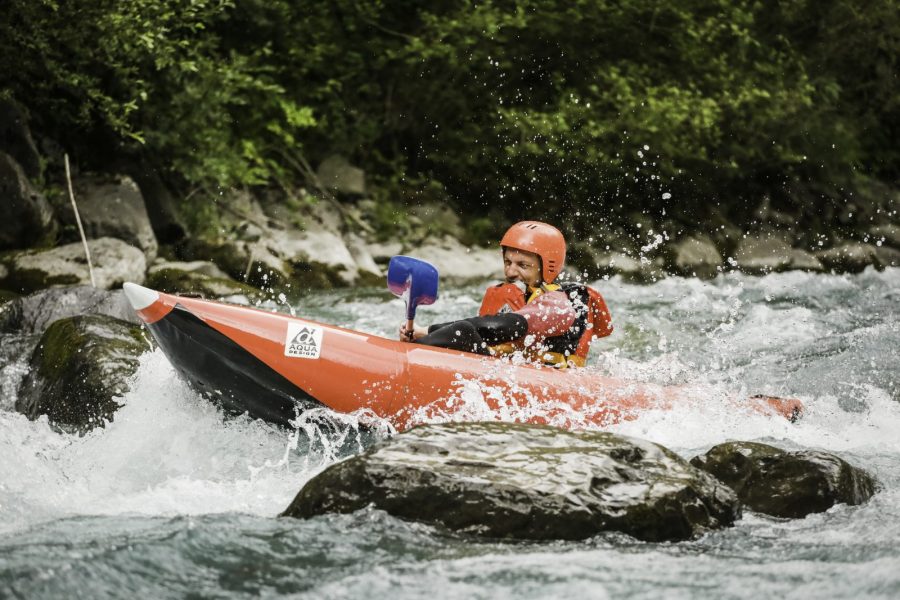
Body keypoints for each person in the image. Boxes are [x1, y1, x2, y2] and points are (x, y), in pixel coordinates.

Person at [399, 221, 613, 368]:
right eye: (508, 262)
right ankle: (411, 354)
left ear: (547, 267)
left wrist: (426, 331)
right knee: (463, 335)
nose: (511, 272)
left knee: (462, 331)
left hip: (549, 383)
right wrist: (421, 335)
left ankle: (405, 359)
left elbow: (504, 327)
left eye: (523, 265)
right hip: (512, 373)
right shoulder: (518, 297)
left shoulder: (557, 304)